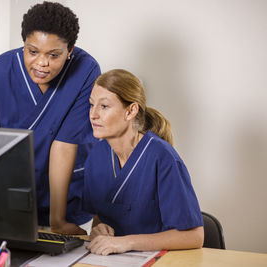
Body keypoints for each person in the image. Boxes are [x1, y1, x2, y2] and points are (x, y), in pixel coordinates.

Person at [0, 2, 100, 234]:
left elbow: (65, 143)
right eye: (33, 51)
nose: (41, 63)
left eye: (54, 55)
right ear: (24, 45)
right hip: (6, 199)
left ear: (70, 51)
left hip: (63, 196)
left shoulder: (85, 70)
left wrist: (58, 221)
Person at [83, 69, 204, 255]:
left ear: (131, 111)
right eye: (91, 105)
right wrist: (99, 228)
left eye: (104, 106)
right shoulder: (96, 155)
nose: (93, 115)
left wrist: (127, 242)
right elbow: (101, 215)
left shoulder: (162, 157)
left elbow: (194, 236)